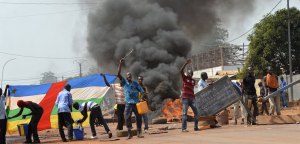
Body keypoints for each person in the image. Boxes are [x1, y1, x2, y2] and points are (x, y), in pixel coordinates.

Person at [117, 58, 145, 139]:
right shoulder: (124, 83)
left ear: (131, 77)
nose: (129, 77)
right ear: (126, 77)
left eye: (130, 76)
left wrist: (142, 98)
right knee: (126, 117)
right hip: (128, 103)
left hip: (136, 103)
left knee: (138, 117)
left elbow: (142, 91)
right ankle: (130, 133)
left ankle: (139, 133)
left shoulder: (135, 83)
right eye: (128, 76)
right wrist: (120, 63)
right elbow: (118, 74)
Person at [180, 59, 199, 132]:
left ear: (192, 74)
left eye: (190, 73)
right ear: (187, 74)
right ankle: (184, 129)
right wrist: (185, 63)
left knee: (196, 113)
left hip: (192, 98)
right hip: (185, 98)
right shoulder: (185, 78)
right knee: (185, 113)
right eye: (188, 73)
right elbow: (181, 71)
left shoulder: (193, 81)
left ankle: (195, 127)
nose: (189, 74)